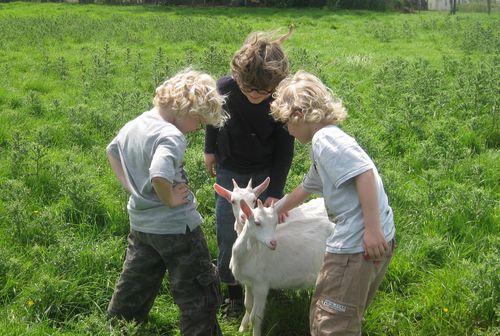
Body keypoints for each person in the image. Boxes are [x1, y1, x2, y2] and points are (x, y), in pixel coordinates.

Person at [270, 71, 396, 335]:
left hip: (355, 247)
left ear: (298, 115)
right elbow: (306, 187)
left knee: (331, 322)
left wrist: (372, 230)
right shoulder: (327, 141)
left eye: (286, 124)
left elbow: (364, 173)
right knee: (343, 313)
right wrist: (273, 211)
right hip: (367, 242)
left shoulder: (325, 140)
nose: (288, 131)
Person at [106, 69, 227, 336]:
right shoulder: (171, 136)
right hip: (177, 228)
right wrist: (170, 198)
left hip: (141, 224)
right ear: (183, 108)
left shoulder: (134, 124)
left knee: (136, 279)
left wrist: (132, 188)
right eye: (197, 120)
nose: (197, 128)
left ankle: (120, 325)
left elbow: (112, 150)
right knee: (197, 288)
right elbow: (159, 173)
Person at [204, 27, 295, 318]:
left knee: (265, 229)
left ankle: (266, 280)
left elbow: (285, 150)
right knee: (228, 231)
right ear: (238, 79)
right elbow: (213, 119)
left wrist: (275, 192)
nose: (255, 96)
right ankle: (231, 289)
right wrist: (209, 150)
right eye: (249, 90)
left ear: (275, 85)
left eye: (262, 92)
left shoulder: (281, 99)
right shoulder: (226, 87)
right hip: (229, 168)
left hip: (264, 172)